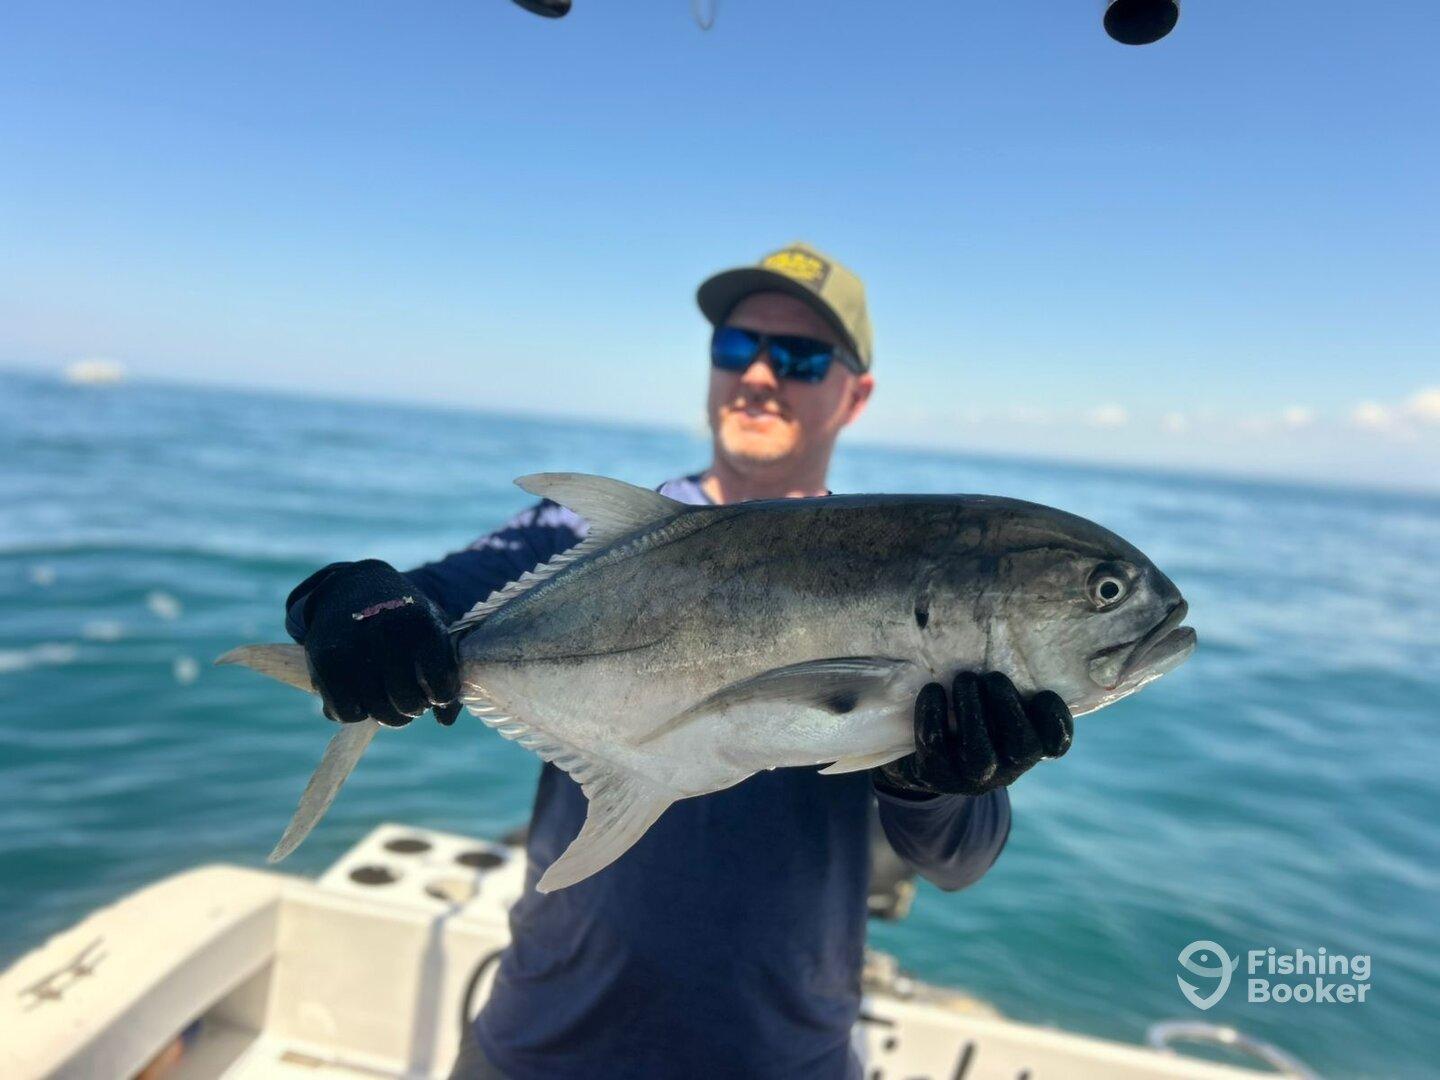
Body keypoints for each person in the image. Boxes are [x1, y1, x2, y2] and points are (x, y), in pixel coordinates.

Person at [284, 243, 1075, 1080]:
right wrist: (345, 601)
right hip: (541, 1043)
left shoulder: (908, 577)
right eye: (738, 348)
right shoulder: (580, 539)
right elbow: (423, 599)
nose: (761, 375)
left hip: (779, 1058)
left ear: (857, 392)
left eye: (803, 357)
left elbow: (960, 861)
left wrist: (937, 781)